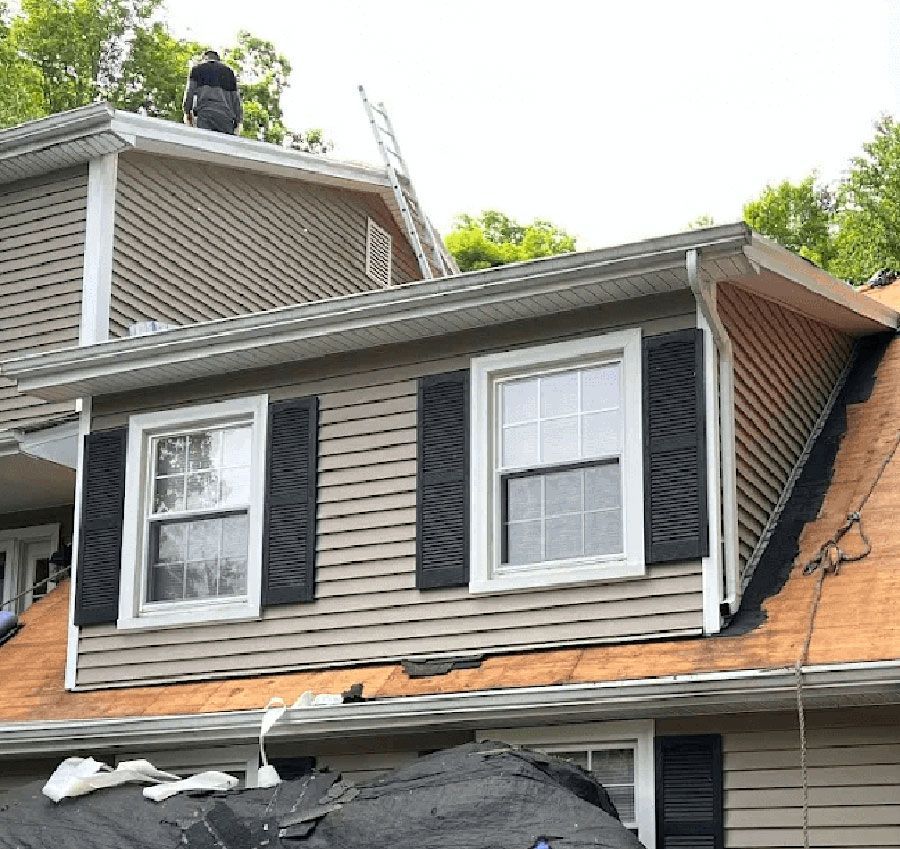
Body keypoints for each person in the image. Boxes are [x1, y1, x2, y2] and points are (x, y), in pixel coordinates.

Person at [183, 50, 243, 134]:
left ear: (204, 58)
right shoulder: (229, 72)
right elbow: (236, 100)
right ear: (218, 60)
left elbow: (190, 93)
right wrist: (238, 121)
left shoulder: (197, 69)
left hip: (205, 115)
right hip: (225, 118)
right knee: (224, 146)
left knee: (204, 144)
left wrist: (187, 113)